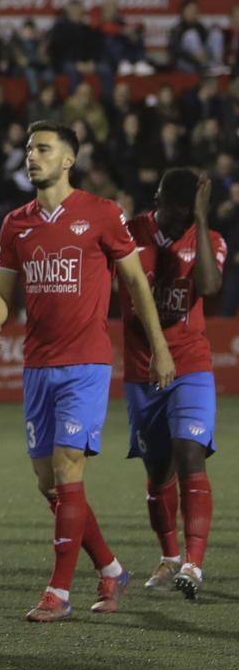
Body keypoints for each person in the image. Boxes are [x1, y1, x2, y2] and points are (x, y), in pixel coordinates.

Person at [0, 121, 173, 623]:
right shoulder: (15, 224)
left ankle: (58, 592)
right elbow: (2, 291)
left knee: (68, 470)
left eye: (42, 149)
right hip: (37, 367)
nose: (31, 157)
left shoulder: (103, 214)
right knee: (50, 484)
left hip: (85, 363)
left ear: (68, 160)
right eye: (28, 149)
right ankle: (110, 568)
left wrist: (159, 347)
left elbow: (135, 285)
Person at [125, 169, 223, 599]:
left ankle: (193, 563)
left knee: (190, 455)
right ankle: (168, 557)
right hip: (142, 369)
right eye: (175, 213)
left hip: (191, 364)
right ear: (157, 198)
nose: (177, 223)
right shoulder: (131, 232)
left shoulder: (210, 239)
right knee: (158, 470)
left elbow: (208, 285)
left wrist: (200, 223)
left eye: (189, 216)